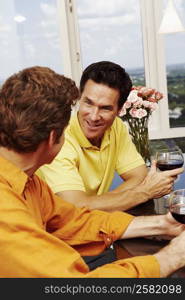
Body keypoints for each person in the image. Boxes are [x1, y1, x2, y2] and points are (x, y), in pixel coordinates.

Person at [0, 65, 185, 278]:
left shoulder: (28, 181)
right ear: (53, 137)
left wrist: (161, 224)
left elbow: (72, 220)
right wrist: (172, 257)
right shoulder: (6, 214)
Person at [39, 61, 182, 212]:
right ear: (80, 98)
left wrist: (101, 202)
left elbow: (139, 175)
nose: (94, 117)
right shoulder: (58, 139)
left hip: (93, 223)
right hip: (53, 228)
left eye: (105, 108)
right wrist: (142, 193)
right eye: (88, 103)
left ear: (119, 110)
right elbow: (75, 207)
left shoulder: (116, 128)